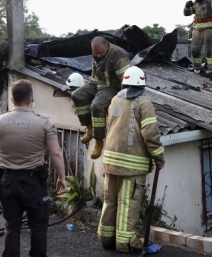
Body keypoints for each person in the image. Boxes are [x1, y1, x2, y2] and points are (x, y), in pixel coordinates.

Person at [0, 79, 66, 257]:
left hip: (7, 181)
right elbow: (56, 154)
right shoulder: (44, 123)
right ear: (32, 98)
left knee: (11, 226)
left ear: (12, 99)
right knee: (38, 226)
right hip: (33, 183)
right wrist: (62, 178)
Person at [97, 66, 165, 254]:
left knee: (110, 202)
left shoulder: (114, 100)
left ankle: (106, 238)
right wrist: (159, 157)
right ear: (142, 84)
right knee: (128, 203)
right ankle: (125, 243)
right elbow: (151, 134)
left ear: (125, 83)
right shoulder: (144, 103)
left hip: (110, 162)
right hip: (132, 167)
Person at [70, 36, 131, 159]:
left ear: (107, 46)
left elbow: (126, 81)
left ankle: (98, 141)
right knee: (77, 95)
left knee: (97, 105)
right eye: (95, 53)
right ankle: (90, 129)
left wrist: (125, 98)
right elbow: (95, 74)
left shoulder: (118, 55)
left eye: (101, 53)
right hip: (98, 83)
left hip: (113, 86)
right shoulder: (97, 54)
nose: (98, 56)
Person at [183, 0, 212, 74]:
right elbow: (186, 13)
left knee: (209, 50)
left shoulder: (211, 1)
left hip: (208, 29)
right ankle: (197, 68)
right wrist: (186, 6)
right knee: (195, 50)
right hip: (196, 30)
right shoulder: (195, 4)